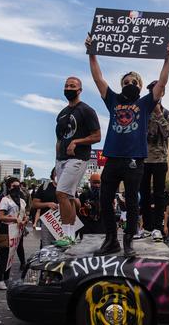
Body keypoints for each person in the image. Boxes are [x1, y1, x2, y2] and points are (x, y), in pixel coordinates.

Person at [87, 34, 169, 256]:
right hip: (113, 159)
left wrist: (167, 58)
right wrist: (92, 53)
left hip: (135, 160)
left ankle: (128, 240)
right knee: (105, 200)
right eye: (126, 82)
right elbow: (98, 79)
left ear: (140, 86)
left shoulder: (145, 104)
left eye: (134, 82)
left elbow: (162, 82)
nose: (129, 85)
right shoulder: (113, 100)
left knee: (134, 203)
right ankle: (110, 240)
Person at [54, 76, 101, 247]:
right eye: (66, 85)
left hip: (78, 157)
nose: (68, 88)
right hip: (61, 159)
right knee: (69, 196)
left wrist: (76, 142)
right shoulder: (62, 113)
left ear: (80, 90)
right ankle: (70, 235)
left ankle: (67, 234)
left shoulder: (86, 110)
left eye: (72, 86)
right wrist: (57, 158)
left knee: (61, 193)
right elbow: (59, 139)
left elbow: (97, 136)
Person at [140, 80, 169, 241]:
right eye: (151, 91)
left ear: (163, 93)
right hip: (143, 159)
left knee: (159, 195)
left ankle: (157, 227)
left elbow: (168, 132)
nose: (154, 94)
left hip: (160, 159)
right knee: (144, 194)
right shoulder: (142, 113)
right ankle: (146, 226)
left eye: (157, 91)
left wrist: (158, 113)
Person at [0, 177, 27, 290]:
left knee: (11, 255)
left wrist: (24, 220)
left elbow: (24, 214)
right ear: (8, 187)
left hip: (17, 230)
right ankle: (0, 279)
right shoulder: (5, 200)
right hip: (6, 229)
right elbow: (0, 216)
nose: (16, 188)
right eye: (14, 186)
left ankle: (6, 277)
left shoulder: (22, 201)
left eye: (18, 186)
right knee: (4, 255)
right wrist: (14, 219)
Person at [31, 169, 59, 247]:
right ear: (53, 175)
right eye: (56, 173)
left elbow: (77, 205)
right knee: (46, 247)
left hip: (64, 225)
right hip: (48, 223)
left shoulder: (69, 187)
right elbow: (34, 204)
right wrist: (47, 204)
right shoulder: (44, 187)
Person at [77, 173, 105, 238]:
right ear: (90, 182)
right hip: (87, 226)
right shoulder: (84, 195)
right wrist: (85, 209)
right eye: (94, 183)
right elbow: (79, 210)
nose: (97, 185)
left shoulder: (104, 195)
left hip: (101, 226)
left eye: (98, 183)